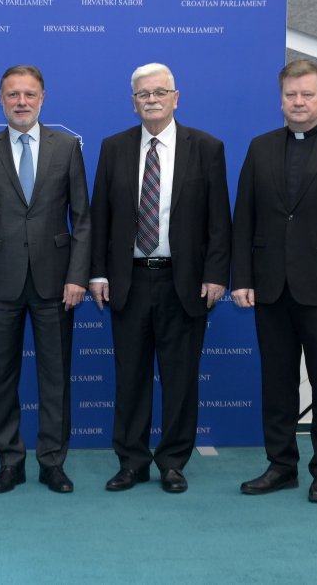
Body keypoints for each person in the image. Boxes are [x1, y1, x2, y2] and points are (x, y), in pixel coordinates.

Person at [232, 59, 317, 503]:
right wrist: (242, 277)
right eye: (291, 94)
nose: (298, 102)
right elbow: (244, 217)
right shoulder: (260, 148)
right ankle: (281, 465)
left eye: (307, 94)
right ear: (281, 100)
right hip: (270, 287)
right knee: (277, 383)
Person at [89, 63, 231, 493]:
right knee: (130, 378)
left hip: (183, 282)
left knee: (180, 380)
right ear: (133, 103)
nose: (151, 100)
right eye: (143, 94)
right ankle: (131, 462)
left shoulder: (206, 147)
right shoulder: (114, 148)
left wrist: (215, 274)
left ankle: (172, 462)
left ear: (176, 98)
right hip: (128, 281)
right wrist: (97, 273)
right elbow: (101, 217)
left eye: (159, 92)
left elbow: (219, 220)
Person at [0, 65, 91, 494]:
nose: (21, 102)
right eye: (13, 94)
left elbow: (82, 219)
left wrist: (78, 275)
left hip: (56, 283)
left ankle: (52, 462)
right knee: (2, 378)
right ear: (1, 100)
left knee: (56, 378)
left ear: (42, 98)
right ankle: (9, 462)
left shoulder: (67, 147)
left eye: (29, 94)